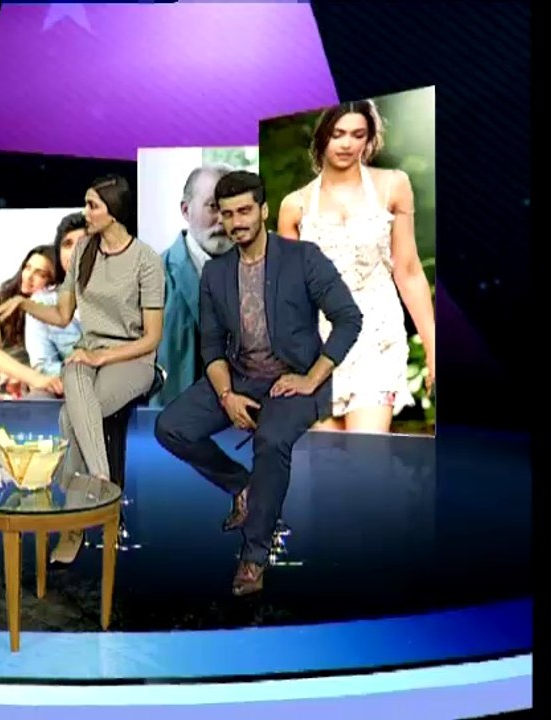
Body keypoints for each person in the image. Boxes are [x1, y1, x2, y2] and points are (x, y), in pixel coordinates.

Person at [154, 171, 362, 596]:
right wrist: (227, 395)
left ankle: (254, 556)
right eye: (227, 214)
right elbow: (212, 347)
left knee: (271, 440)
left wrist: (311, 378)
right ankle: (242, 486)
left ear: (264, 211)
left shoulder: (303, 257)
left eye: (245, 211)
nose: (236, 222)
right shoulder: (215, 273)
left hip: (294, 380)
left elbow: (349, 318)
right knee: (170, 427)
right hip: (240, 376)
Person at [0, 175, 165, 563]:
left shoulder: (146, 260)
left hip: (132, 358)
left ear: (113, 211)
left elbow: (152, 338)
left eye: (92, 205)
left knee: (72, 417)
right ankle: (101, 480)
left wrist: (101, 358)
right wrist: (23, 304)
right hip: (88, 355)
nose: (85, 213)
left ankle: (72, 527)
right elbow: (63, 315)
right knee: (74, 373)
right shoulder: (84, 250)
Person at [277, 100, 435, 433]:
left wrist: (433, 348)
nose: (347, 144)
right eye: (338, 134)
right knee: (326, 460)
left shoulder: (394, 185)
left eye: (357, 134)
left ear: (370, 139)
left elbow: (408, 271)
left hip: (377, 338)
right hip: (318, 345)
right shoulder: (294, 206)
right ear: (322, 137)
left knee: (367, 454)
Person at [153, 163, 235, 408]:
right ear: (186, 210)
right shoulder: (151, 279)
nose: (223, 220)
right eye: (213, 206)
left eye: (232, 209)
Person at [0, 245, 63, 399]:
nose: (29, 276)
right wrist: (36, 379)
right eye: (27, 267)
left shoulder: (53, 311)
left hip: (43, 390)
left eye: (40, 274)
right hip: (6, 393)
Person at [24, 212, 86, 386]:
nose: (75, 251)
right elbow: (43, 366)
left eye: (84, 243)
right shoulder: (43, 302)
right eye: (67, 244)